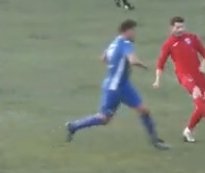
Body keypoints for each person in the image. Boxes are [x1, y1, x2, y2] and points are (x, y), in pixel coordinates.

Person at [64, 19, 169, 150]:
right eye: (133, 31)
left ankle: (155, 141)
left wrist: (114, 67)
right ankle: (73, 126)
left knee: (143, 110)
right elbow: (132, 60)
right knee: (104, 118)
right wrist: (144, 65)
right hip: (116, 88)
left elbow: (103, 58)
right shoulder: (126, 43)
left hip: (120, 84)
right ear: (127, 31)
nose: (135, 34)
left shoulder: (114, 42)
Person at [154, 16, 205, 143]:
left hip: (199, 74)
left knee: (204, 102)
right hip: (184, 75)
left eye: (182, 27)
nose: (180, 29)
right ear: (171, 28)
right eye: (177, 27)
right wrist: (157, 80)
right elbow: (160, 63)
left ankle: (188, 131)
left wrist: (203, 65)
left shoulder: (192, 38)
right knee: (197, 93)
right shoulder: (169, 44)